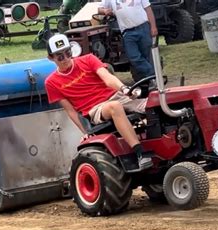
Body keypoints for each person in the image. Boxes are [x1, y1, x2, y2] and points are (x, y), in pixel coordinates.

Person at [44, 34, 153, 170]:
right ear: (51, 58)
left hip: (116, 96)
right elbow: (71, 111)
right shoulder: (51, 82)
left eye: (68, 52)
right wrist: (86, 132)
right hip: (95, 109)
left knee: (154, 102)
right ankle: (140, 153)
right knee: (115, 107)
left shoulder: (88, 59)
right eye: (60, 56)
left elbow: (107, 77)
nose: (66, 59)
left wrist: (124, 88)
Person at [98, 0, 157, 82]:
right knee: (134, 57)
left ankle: (147, 80)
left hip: (143, 27)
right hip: (127, 32)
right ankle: (153, 76)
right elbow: (99, 9)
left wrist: (153, 27)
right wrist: (105, 11)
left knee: (146, 55)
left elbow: (148, 9)